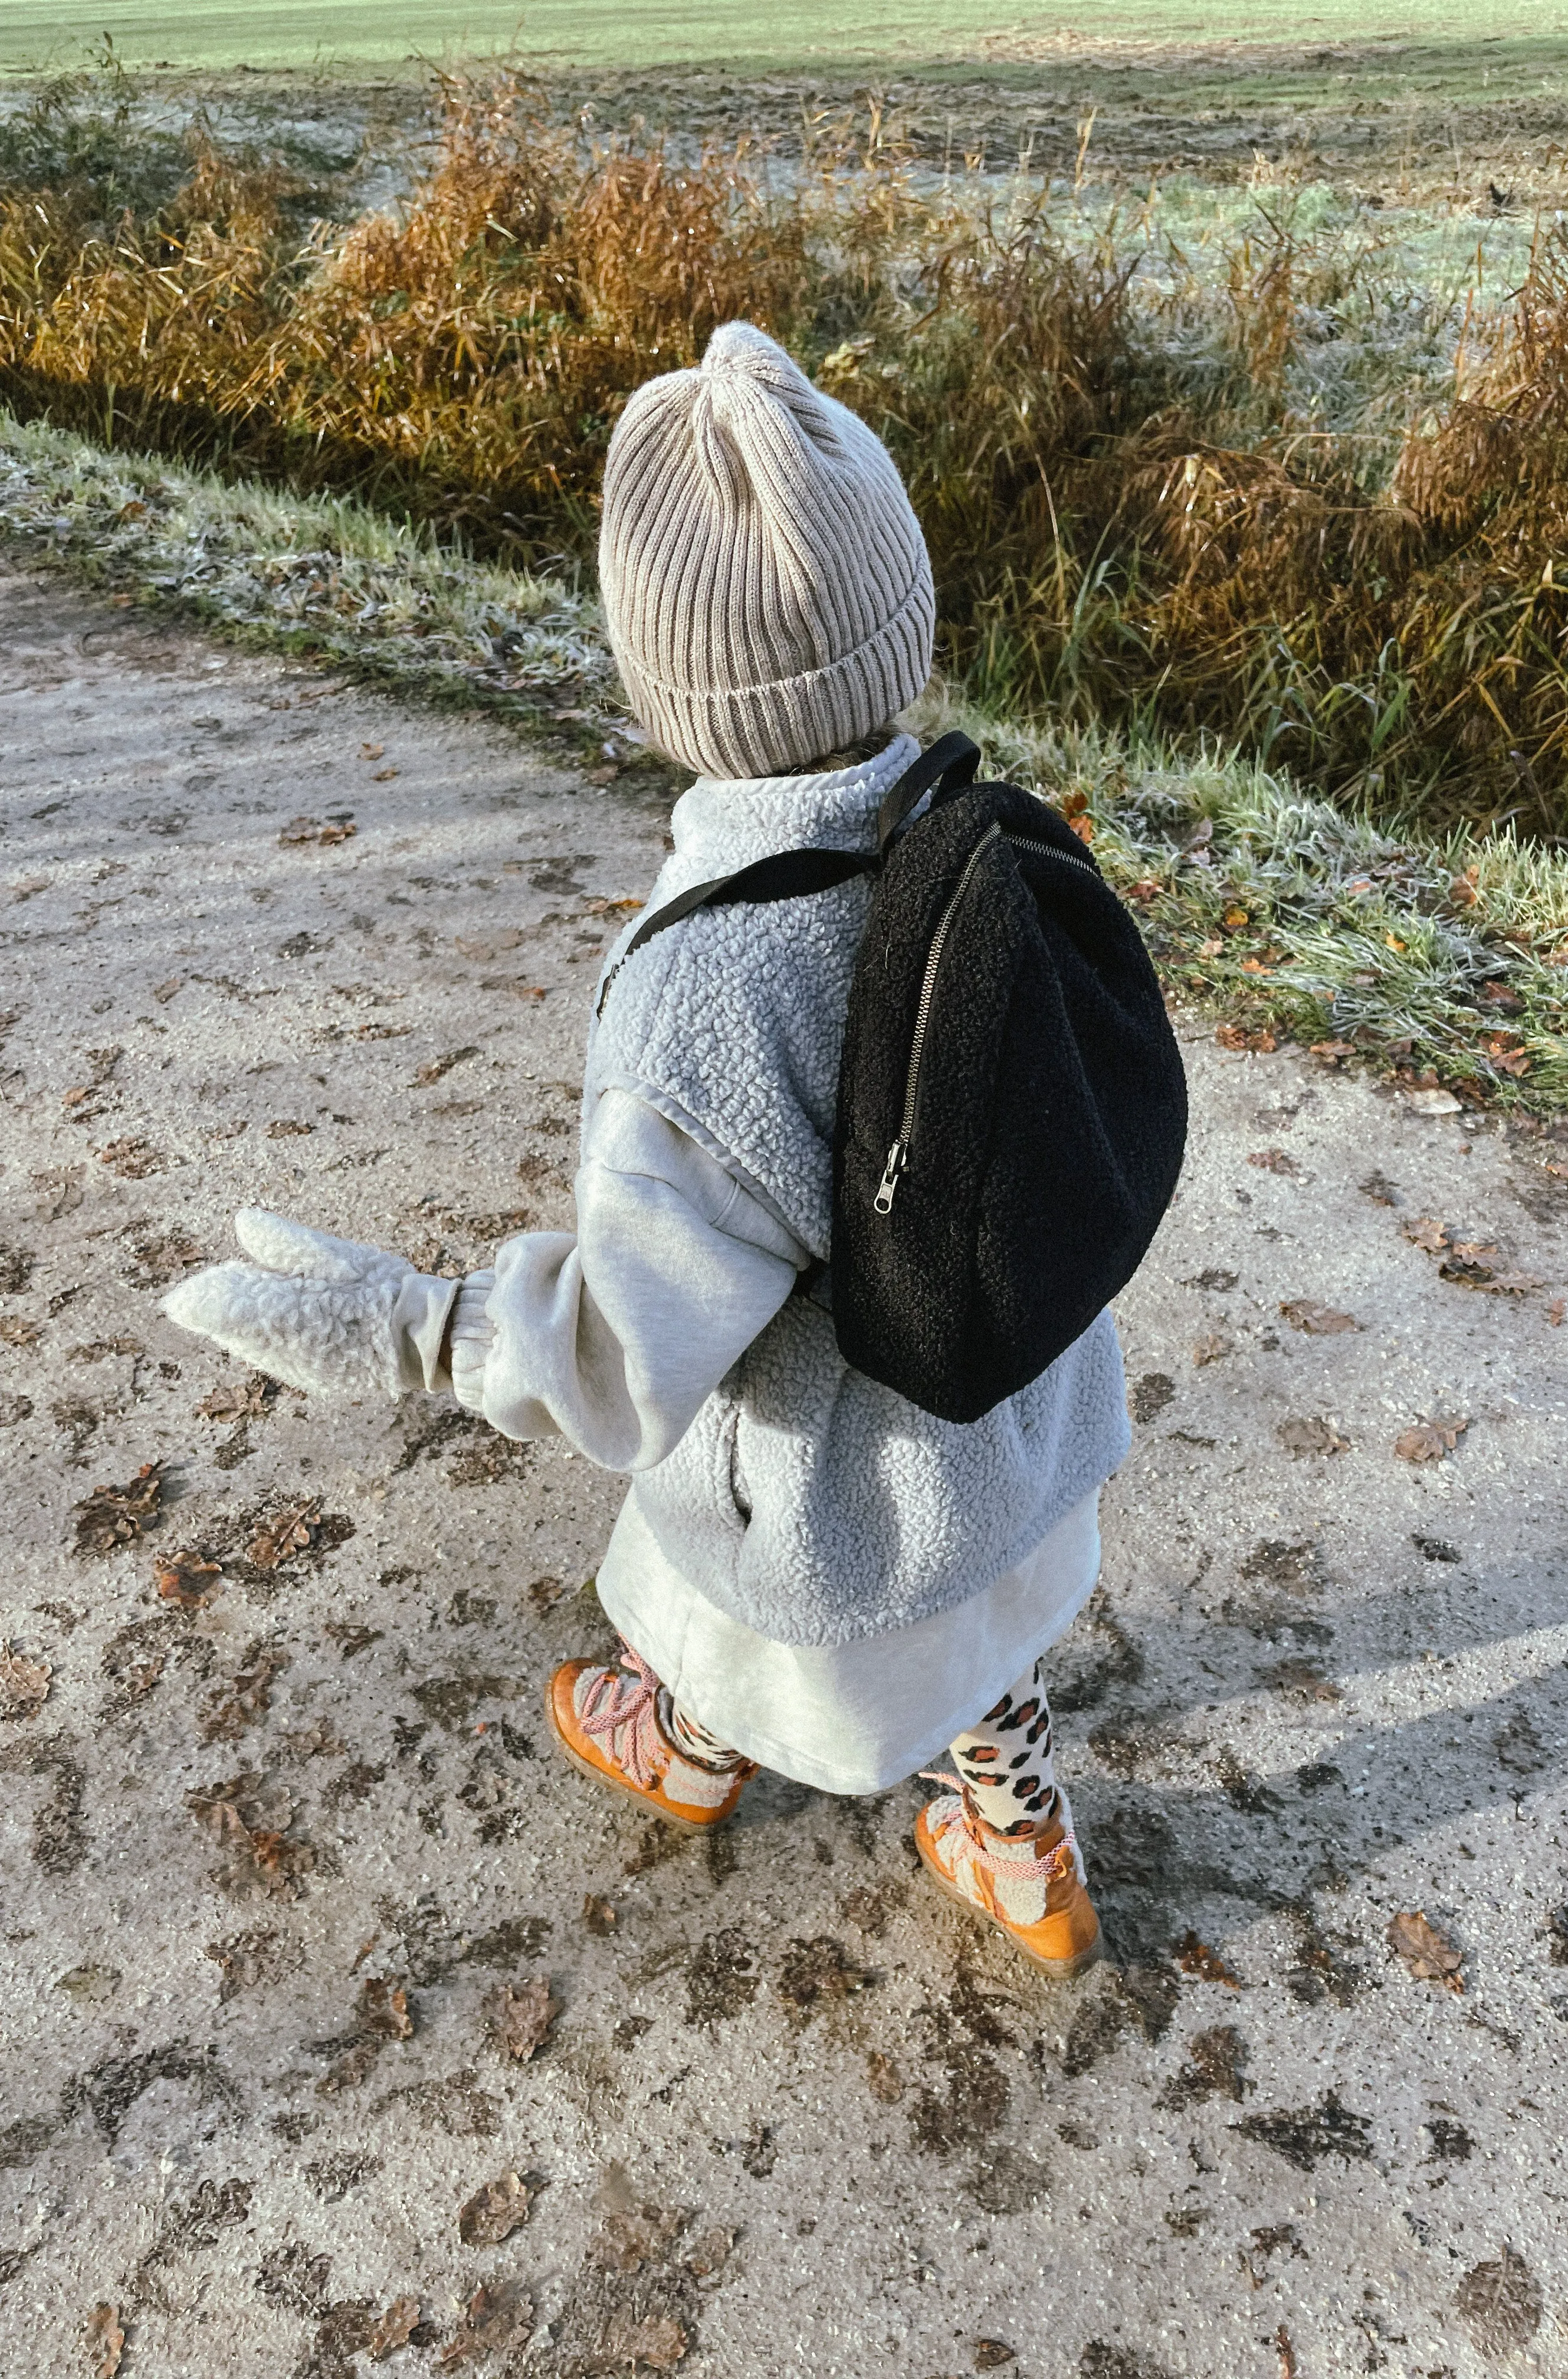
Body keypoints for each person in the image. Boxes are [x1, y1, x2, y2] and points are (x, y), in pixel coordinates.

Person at [165, 322, 1133, 1978]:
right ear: (899, 610)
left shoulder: (708, 994)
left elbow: (626, 1360)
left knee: (710, 1603)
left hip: (838, 1501)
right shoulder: (974, 825)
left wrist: (408, 1325)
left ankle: (684, 1747)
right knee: (986, 1645)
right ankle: (1016, 1841)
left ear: (660, 677)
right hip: (1016, 1423)